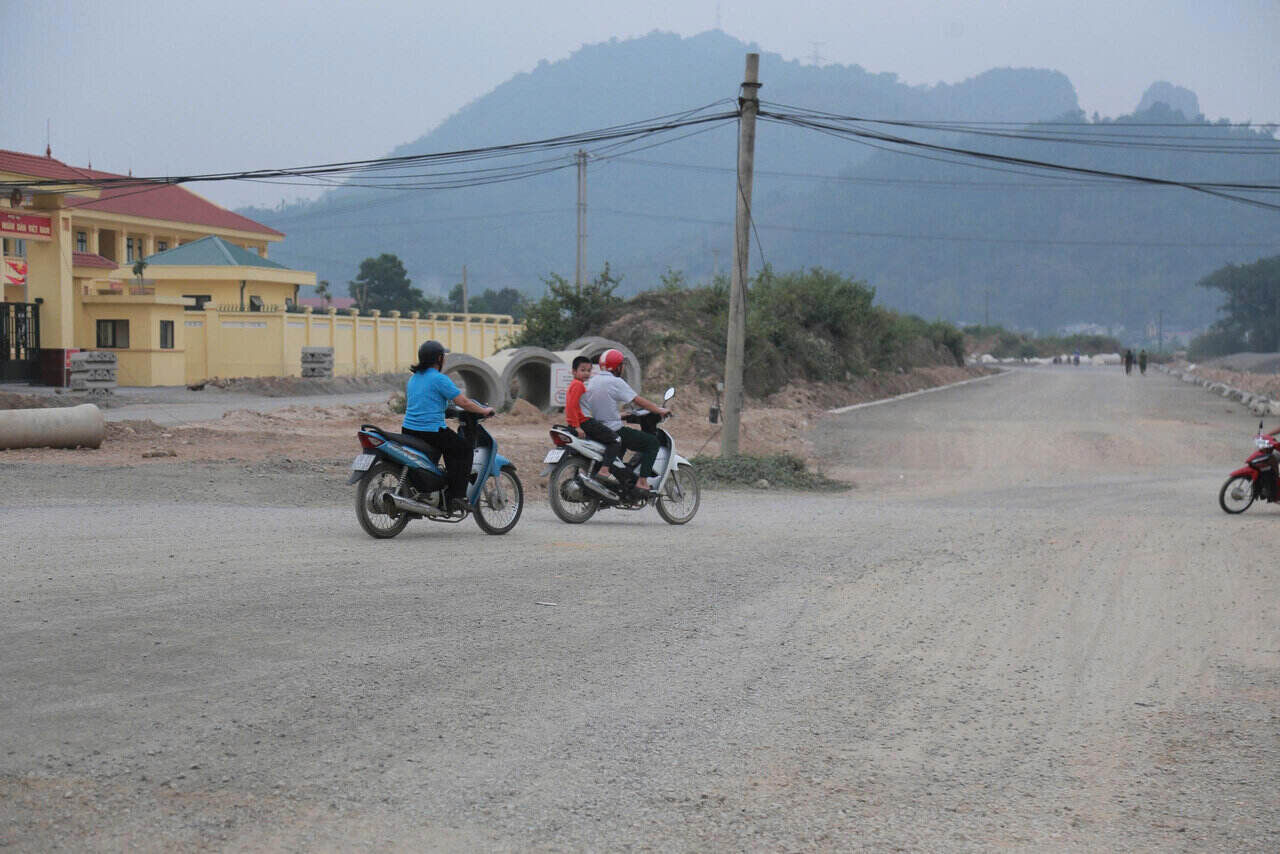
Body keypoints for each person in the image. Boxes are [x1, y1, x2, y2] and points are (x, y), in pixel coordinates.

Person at [401, 340, 494, 511]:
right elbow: (464, 402)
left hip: (409, 430)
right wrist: (484, 410)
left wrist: (446, 410)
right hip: (430, 431)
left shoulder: (414, 379)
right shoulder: (439, 379)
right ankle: (457, 496)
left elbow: (425, 403)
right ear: (439, 358)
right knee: (464, 449)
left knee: (448, 448)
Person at [582, 349, 670, 492]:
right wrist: (659, 410)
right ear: (617, 367)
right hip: (613, 429)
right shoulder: (616, 382)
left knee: (622, 445)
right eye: (621, 365)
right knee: (652, 443)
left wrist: (620, 415)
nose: (622, 368)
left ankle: (620, 478)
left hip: (597, 427)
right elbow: (638, 401)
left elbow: (603, 404)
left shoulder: (592, 381)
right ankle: (642, 482)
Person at [564, 355, 622, 482]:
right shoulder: (578, 385)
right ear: (574, 372)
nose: (586, 373)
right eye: (583, 370)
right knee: (616, 440)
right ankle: (604, 470)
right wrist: (577, 426)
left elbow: (572, 407)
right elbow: (571, 406)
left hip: (579, 423)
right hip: (585, 423)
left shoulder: (574, 385)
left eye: (589, 370)